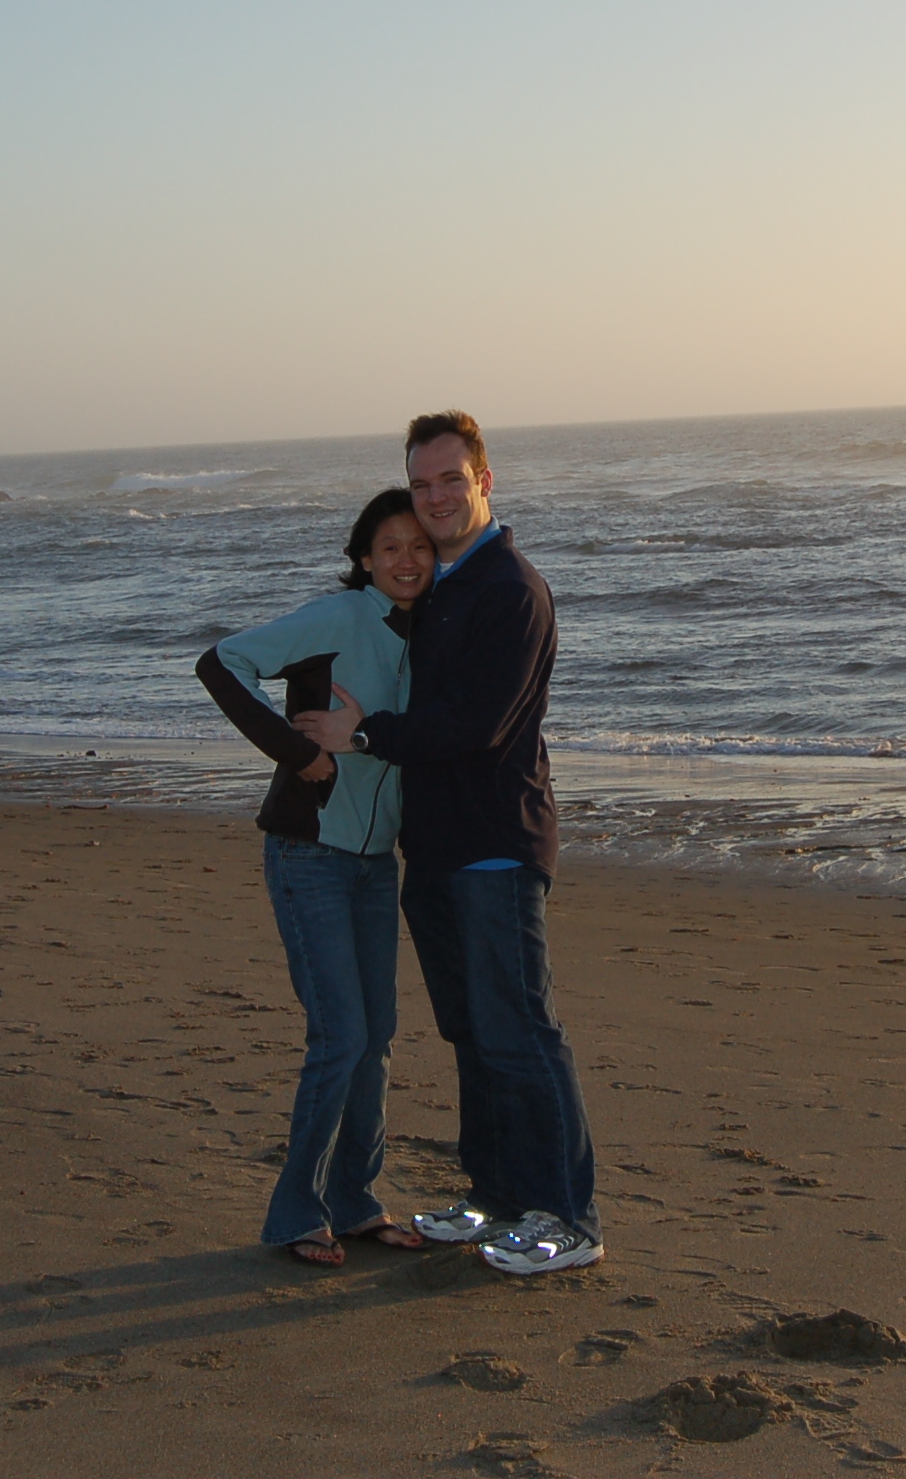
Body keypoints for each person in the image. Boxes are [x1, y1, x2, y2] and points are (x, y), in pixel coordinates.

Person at [297, 412, 601, 1276]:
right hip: (433, 847)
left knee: (521, 1030)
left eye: (449, 481)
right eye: (420, 483)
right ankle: (497, 1199)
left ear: (484, 482)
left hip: (496, 845)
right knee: (472, 1032)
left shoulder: (510, 589)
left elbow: (477, 722)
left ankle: (568, 1218)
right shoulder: (440, 586)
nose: (433, 498)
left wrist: (364, 735)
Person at [194, 488, 436, 1266]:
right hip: (310, 853)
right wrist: (299, 753)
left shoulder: (429, 633)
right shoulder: (337, 617)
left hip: (375, 864)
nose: (406, 560)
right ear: (365, 558)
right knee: (342, 1036)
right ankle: (297, 1212)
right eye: (390, 547)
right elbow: (220, 662)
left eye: (420, 546)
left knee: (377, 1038)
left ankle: (355, 1201)